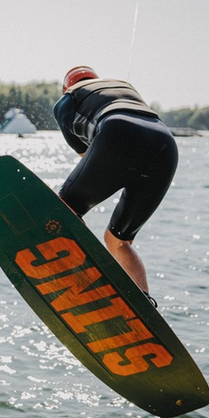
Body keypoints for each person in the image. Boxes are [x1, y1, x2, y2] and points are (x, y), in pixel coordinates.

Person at [52, 66, 178, 307]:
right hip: (165, 144)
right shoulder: (121, 86)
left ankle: (83, 277)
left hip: (118, 131)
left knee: (65, 209)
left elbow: (88, 156)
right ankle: (144, 303)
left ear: (66, 86)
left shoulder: (67, 99)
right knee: (118, 241)